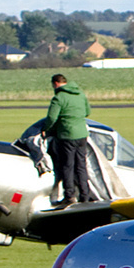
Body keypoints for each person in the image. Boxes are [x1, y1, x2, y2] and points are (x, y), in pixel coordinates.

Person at [44, 74, 96, 207]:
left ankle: (69, 196)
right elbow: (87, 112)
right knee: (81, 166)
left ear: (55, 83)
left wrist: (47, 129)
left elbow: (51, 118)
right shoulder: (80, 94)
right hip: (82, 135)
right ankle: (85, 195)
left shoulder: (59, 97)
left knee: (68, 166)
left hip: (67, 135)